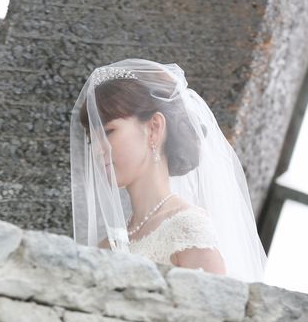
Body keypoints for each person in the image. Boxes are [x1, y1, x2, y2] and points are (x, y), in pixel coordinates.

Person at [70, 58, 267, 282]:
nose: (97, 150)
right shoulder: (106, 246)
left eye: (108, 132)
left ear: (154, 128)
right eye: (91, 141)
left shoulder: (187, 231)